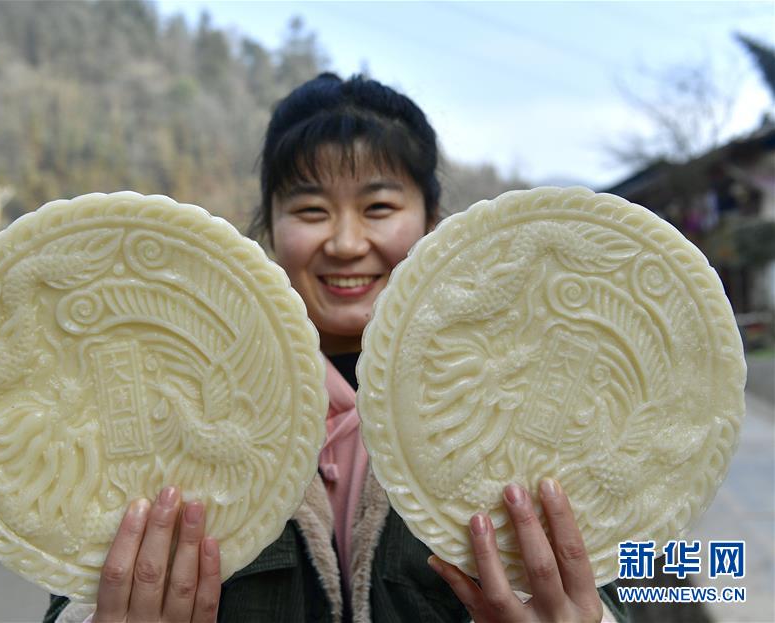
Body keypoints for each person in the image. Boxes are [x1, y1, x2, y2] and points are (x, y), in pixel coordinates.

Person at [46, 73, 628, 623]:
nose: (347, 244)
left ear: (432, 225)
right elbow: (73, 578)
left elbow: (589, 582)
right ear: (270, 230)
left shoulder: (508, 407)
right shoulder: (167, 399)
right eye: (311, 210)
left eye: (378, 208)